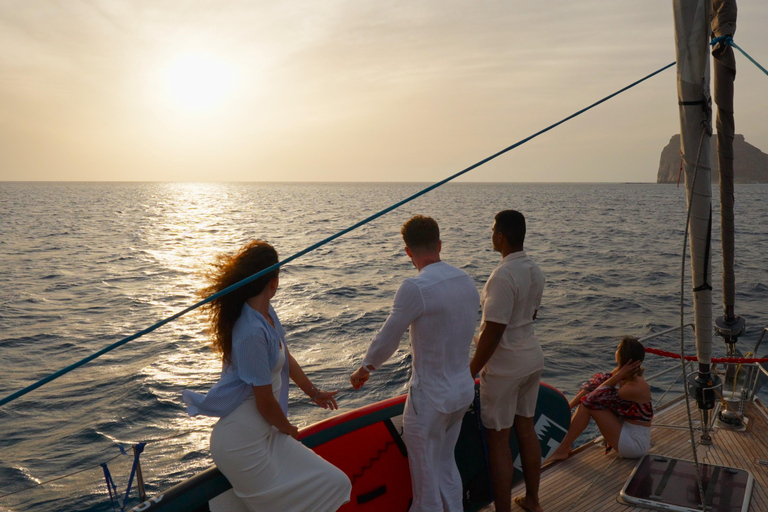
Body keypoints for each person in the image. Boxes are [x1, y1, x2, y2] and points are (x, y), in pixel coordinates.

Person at [181, 240, 351, 512]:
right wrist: (289, 430)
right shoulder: (250, 332)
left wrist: (314, 393)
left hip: (267, 432)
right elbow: (264, 402)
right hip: (243, 444)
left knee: (336, 481)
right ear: (273, 282)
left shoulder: (266, 315)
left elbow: (285, 357)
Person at [350, 215, 480, 512]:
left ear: (408, 251)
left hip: (431, 400)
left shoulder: (415, 287)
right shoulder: (466, 280)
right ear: (439, 244)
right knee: (447, 467)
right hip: (462, 392)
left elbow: (389, 336)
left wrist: (365, 369)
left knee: (425, 485)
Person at [469, 209, 545, 512]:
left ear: (500, 236)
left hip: (505, 368)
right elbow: (532, 314)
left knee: (499, 440)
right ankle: (532, 500)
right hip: (531, 358)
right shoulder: (534, 269)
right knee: (526, 429)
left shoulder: (502, 276)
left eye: (492, 230)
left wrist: (470, 370)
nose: (490, 234)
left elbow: (494, 331)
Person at [547, 336, 652, 463]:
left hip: (635, 444)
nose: (616, 350)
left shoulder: (633, 387)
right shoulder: (626, 375)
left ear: (621, 356)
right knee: (588, 402)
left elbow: (595, 396)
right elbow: (594, 386)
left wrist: (618, 375)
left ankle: (562, 448)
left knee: (587, 406)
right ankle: (564, 446)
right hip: (628, 433)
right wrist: (568, 407)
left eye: (618, 348)